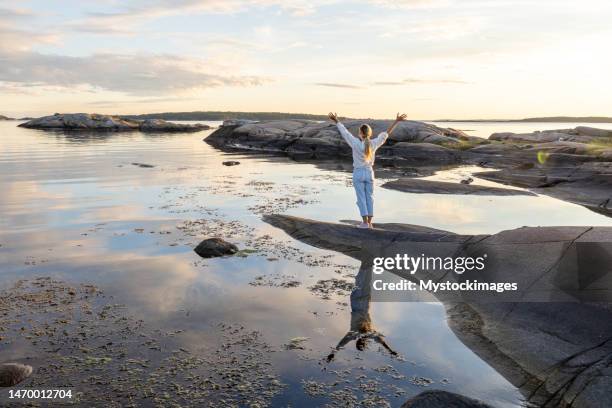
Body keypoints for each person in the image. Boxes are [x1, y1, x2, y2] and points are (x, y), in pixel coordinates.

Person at [328, 112, 407, 228]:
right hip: (370, 173)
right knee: (370, 197)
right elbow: (386, 134)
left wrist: (336, 120)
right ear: (369, 133)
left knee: (361, 198)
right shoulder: (374, 143)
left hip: (359, 173)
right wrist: (396, 121)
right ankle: (369, 223)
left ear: (360, 133)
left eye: (359, 132)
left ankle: (364, 223)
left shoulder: (355, 142)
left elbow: (345, 132)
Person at [326, 263, 398, 363]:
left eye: (359, 344)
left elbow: (341, 344)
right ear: (364, 343)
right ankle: (370, 262)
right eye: (362, 344)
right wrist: (390, 351)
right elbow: (381, 341)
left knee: (360, 281)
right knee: (367, 281)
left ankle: (365, 261)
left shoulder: (353, 334)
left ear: (357, 342)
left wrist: (333, 353)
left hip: (356, 302)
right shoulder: (370, 333)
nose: (361, 342)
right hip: (365, 304)